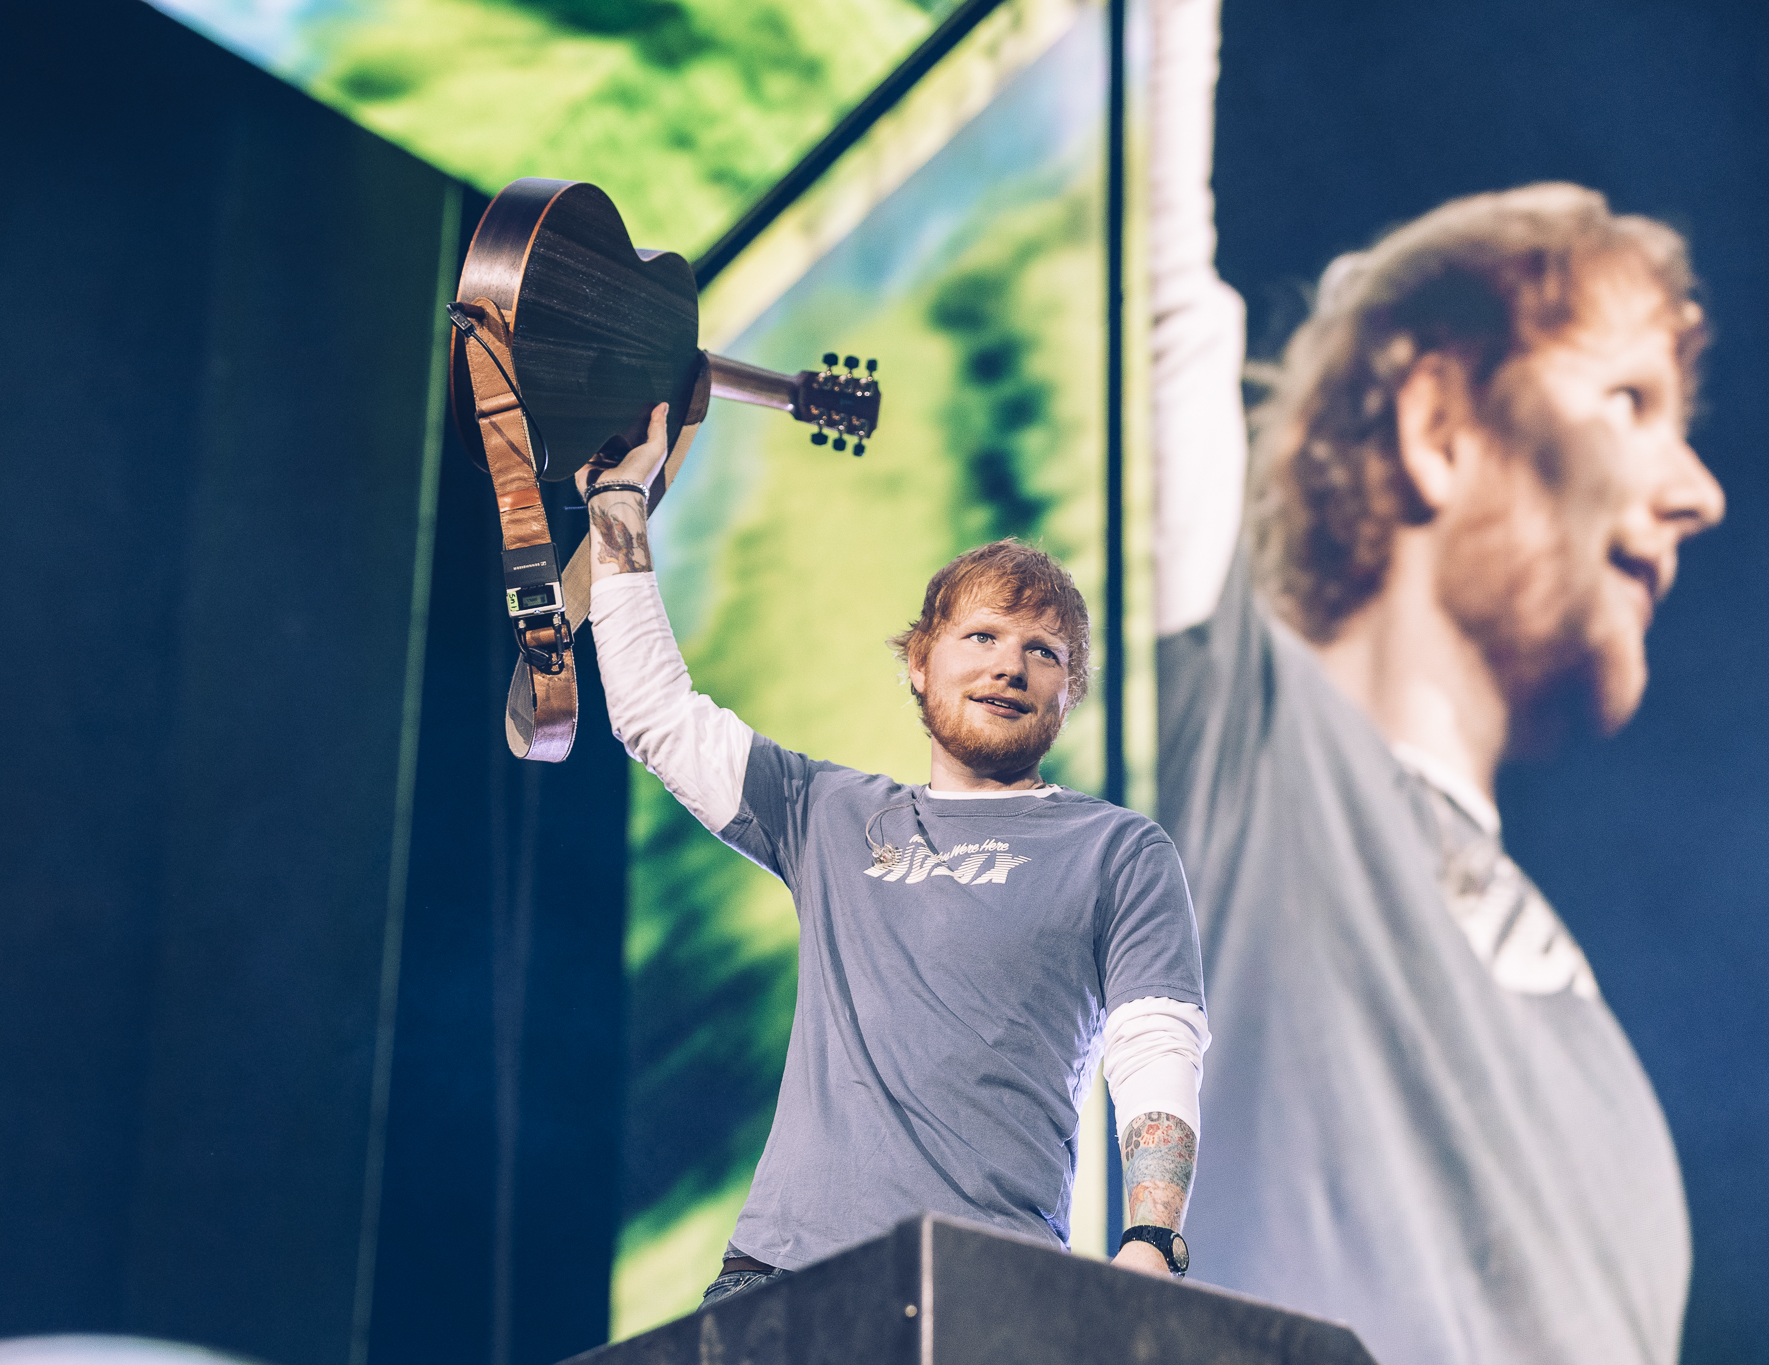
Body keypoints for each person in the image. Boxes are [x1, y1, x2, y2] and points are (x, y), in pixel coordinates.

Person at [1147, 2, 1726, 1362]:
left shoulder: (1623, 1100)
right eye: (1629, 401)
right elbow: (1141, 255)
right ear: (1441, 430)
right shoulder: (1228, 726)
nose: (1697, 492)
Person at [578, 410, 1211, 1302]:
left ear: (1068, 694)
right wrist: (616, 501)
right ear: (919, 662)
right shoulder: (826, 811)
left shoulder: (1118, 850)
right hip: (777, 1276)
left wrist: (1152, 1235)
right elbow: (654, 714)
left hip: (989, 1288)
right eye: (982, 636)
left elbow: (1157, 1041)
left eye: (1044, 652)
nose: (1011, 665)